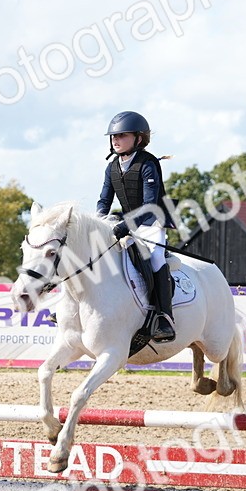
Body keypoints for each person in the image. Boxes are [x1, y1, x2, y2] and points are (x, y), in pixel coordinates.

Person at [95, 110, 176, 342]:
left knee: (157, 258)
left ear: (138, 138)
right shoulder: (111, 167)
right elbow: (104, 201)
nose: (115, 140)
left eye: (122, 135)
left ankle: (164, 318)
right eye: (113, 136)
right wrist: (97, 224)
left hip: (151, 223)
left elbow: (150, 205)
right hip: (126, 222)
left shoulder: (148, 163)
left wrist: (125, 226)